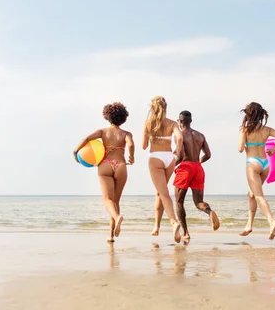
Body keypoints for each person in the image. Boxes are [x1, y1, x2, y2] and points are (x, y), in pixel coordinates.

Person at [74, 102, 135, 243]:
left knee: (107, 200)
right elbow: (131, 144)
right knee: (116, 201)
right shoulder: (126, 133)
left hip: (105, 165)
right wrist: (131, 157)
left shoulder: (103, 132)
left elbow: (86, 139)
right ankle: (112, 234)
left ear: (108, 116)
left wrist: (75, 151)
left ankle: (114, 226)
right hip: (120, 165)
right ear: (123, 118)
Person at [238, 102, 275, 240]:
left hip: (252, 163)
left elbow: (240, 148)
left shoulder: (245, 130)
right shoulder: (267, 129)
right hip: (265, 164)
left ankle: (272, 221)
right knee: (251, 194)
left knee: (258, 196)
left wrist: (245, 144)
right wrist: (274, 150)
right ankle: (249, 225)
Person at [173, 110, 220, 241]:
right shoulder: (200, 135)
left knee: (178, 201)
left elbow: (181, 155)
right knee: (198, 202)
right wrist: (198, 162)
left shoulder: (180, 135)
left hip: (185, 168)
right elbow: (208, 155)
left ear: (180, 121)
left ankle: (186, 233)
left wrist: (171, 166)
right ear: (191, 121)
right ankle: (210, 212)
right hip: (198, 168)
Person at [142, 96, 183, 243]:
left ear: (152, 108)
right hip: (169, 158)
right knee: (159, 193)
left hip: (155, 159)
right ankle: (156, 226)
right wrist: (177, 150)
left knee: (164, 193)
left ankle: (173, 222)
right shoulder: (172, 123)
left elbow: (144, 146)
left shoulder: (148, 123)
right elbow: (179, 138)